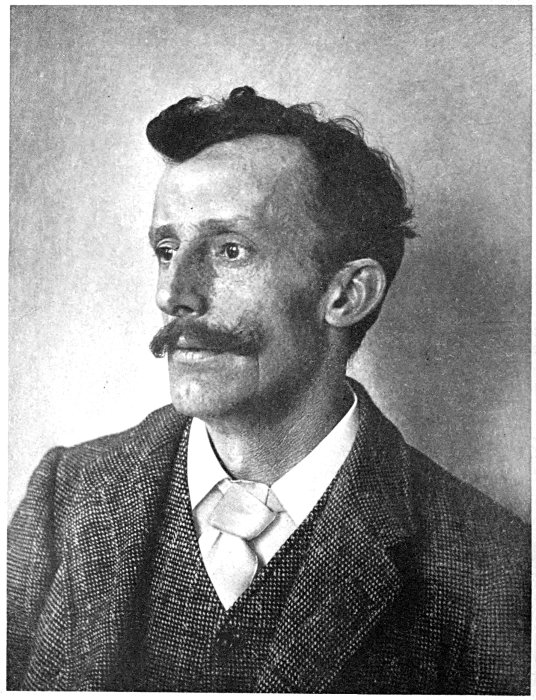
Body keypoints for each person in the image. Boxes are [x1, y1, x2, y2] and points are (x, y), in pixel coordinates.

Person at [8, 86, 530, 693]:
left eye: (230, 250)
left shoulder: (488, 568)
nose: (173, 294)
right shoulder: (65, 496)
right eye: (167, 250)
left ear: (347, 295)